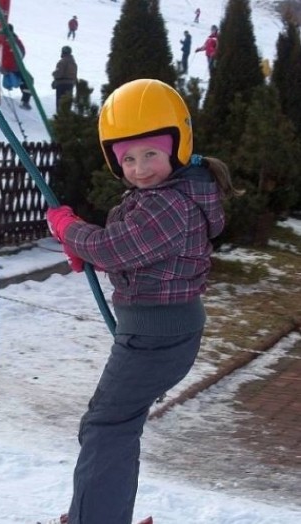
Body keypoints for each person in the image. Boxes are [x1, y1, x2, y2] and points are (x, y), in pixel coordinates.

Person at [45, 78, 237, 524]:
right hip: (159, 332)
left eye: (150, 153)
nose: (140, 168)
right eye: (127, 158)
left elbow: (115, 246)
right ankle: (103, 513)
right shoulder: (171, 194)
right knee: (115, 423)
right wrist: (101, 255)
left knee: (105, 426)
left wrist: (68, 229)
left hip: (155, 337)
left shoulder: (170, 203)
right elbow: (130, 251)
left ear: (177, 145)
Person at [0, 24, 32, 109]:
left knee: (21, 79)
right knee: (29, 80)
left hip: (3, 67)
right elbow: (21, 52)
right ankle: (25, 101)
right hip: (14, 66)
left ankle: (10, 86)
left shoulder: (0, 40)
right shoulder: (13, 40)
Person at [51, 46, 78, 111]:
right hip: (70, 85)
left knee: (60, 104)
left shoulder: (62, 62)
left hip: (61, 84)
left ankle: (59, 118)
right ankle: (66, 118)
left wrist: (54, 74)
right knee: (67, 103)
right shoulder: (73, 63)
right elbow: (74, 75)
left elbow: (59, 73)